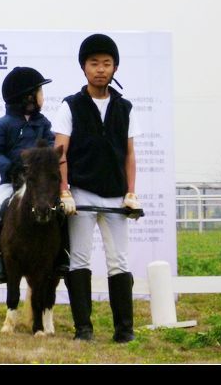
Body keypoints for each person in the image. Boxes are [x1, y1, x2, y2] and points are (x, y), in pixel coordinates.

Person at [52, 33, 141, 343]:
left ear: (115, 68)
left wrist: (131, 191)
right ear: (84, 68)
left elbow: (129, 154)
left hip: (116, 196)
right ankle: (83, 330)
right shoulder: (71, 105)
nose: (101, 69)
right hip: (82, 194)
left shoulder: (125, 107)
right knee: (80, 258)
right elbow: (60, 151)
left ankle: (124, 331)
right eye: (94, 63)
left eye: (107, 63)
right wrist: (64, 191)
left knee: (119, 261)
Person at [0, 66, 69, 284]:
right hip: (12, 183)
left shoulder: (43, 123)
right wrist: (11, 168)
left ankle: (62, 254)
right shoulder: (4, 124)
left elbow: (51, 145)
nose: (42, 96)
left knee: (63, 209)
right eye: (40, 92)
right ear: (28, 97)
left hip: (41, 185)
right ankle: (1, 258)